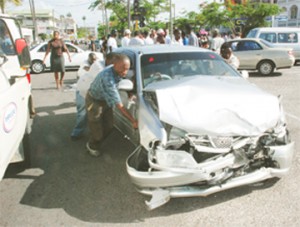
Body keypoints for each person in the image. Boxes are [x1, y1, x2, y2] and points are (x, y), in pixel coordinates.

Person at [85, 53, 138, 156]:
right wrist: (133, 121)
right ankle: (92, 145)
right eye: (123, 69)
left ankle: (97, 139)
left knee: (109, 126)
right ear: (115, 65)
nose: (125, 72)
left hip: (105, 100)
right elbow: (120, 106)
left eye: (127, 68)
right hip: (94, 101)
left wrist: (130, 93)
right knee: (97, 129)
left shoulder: (117, 70)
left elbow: (125, 79)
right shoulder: (108, 79)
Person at [70, 53, 115, 141]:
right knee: (83, 114)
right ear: (106, 59)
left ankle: (95, 134)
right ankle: (76, 133)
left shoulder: (109, 67)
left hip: (95, 94)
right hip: (83, 91)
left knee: (96, 116)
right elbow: (107, 79)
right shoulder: (98, 66)